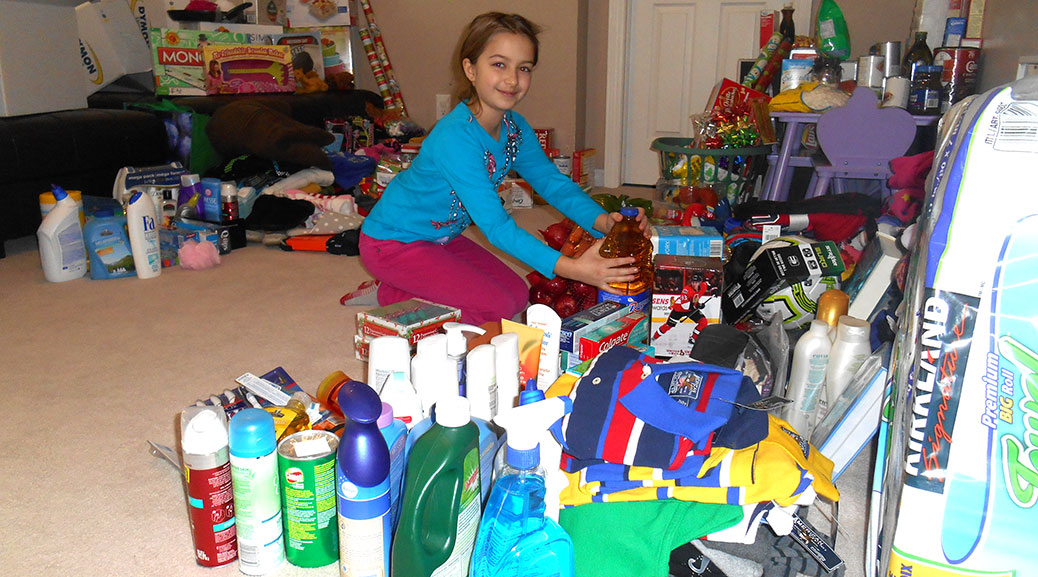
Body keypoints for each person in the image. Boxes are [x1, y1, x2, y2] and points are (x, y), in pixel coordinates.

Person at [357, 12, 648, 326]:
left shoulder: (514, 129)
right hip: (392, 243)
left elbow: (552, 183)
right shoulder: (455, 138)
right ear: (470, 69)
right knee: (494, 309)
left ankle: (403, 284)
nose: (512, 79)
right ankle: (391, 292)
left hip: (441, 239)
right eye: (499, 64)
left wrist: (604, 222)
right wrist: (573, 268)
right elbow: (496, 227)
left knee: (517, 295)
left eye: (524, 68)